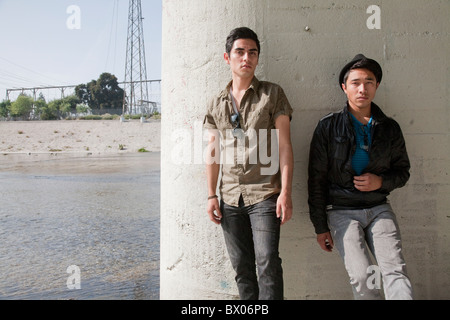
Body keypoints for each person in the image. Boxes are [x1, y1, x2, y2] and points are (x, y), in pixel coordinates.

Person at [308, 54, 413, 300]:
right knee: (363, 277)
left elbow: (403, 171)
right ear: (344, 87)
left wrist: (380, 182)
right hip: (342, 212)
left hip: (379, 209)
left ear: (376, 86)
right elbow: (316, 179)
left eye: (369, 82)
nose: (362, 88)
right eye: (355, 83)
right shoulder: (327, 127)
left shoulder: (389, 128)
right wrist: (320, 226)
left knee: (395, 271)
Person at [203, 27, 294, 300]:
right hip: (229, 197)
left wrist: (286, 193)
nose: (246, 58)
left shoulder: (272, 94)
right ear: (227, 57)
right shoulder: (217, 102)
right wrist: (211, 195)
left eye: (252, 52)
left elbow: (285, 146)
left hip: (265, 193)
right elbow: (212, 151)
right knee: (242, 268)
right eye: (240, 52)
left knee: (267, 262)